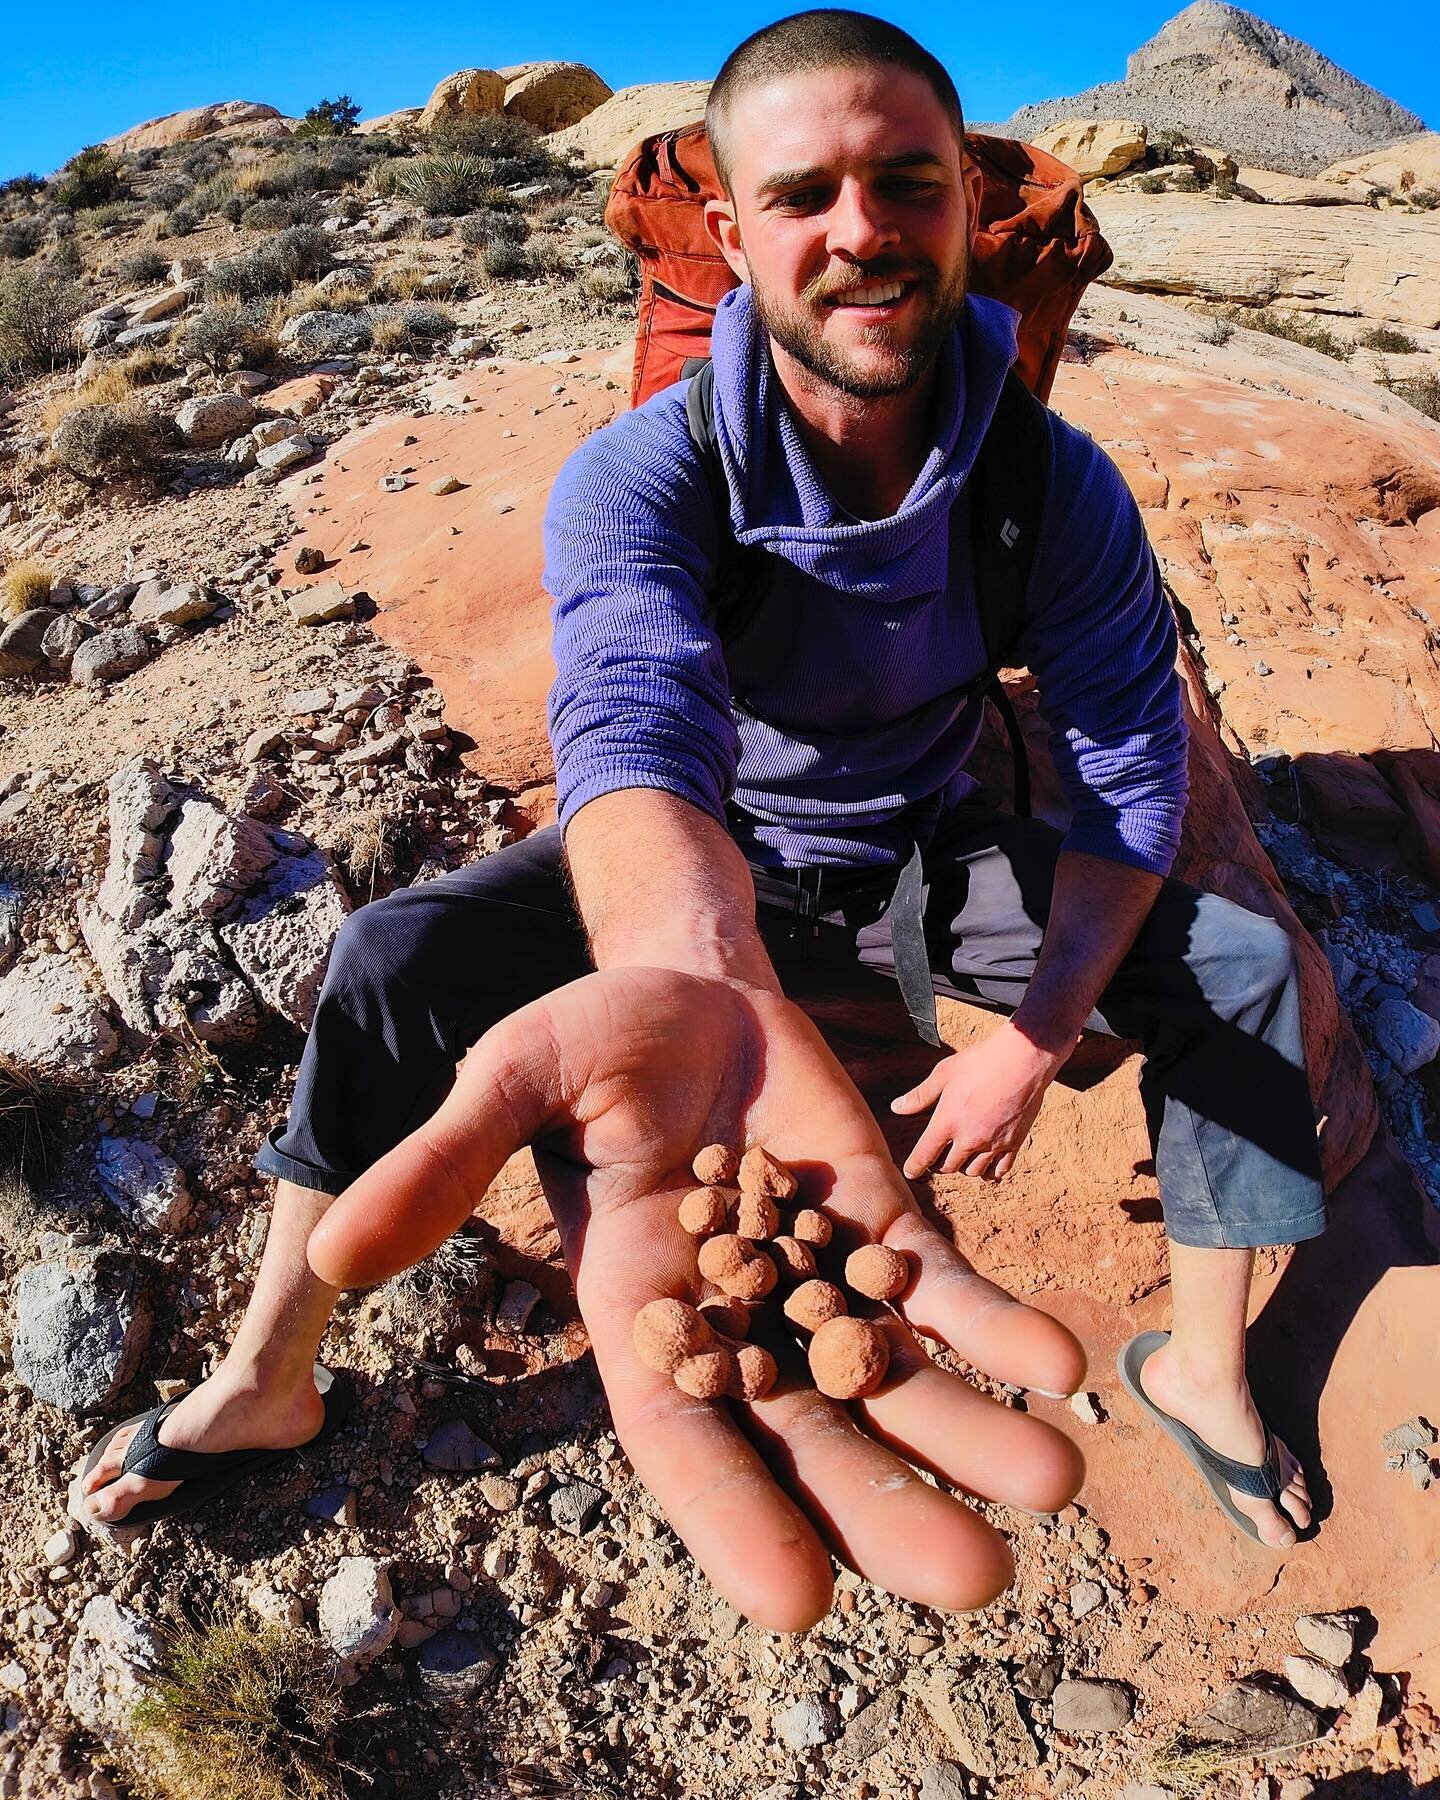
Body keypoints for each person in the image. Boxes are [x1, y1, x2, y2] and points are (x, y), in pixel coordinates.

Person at [78, 9, 1323, 1623]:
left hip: (916, 860)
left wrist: (1029, 1042)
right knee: (391, 952)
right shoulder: (640, 477)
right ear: (733, 237)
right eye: (806, 194)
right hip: (707, 872)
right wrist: (696, 964)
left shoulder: (1054, 487)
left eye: (908, 183)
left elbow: (1128, 781)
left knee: (1240, 970)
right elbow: (630, 720)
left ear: (963, 204)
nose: (863, 230)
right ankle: (267, 1369)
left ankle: (1206, 1374)